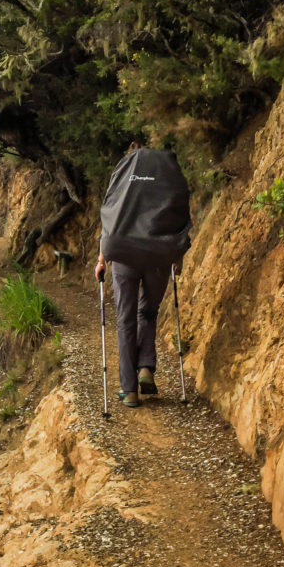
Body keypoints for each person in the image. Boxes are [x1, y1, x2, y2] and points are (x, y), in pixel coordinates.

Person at [94, 142, 191, 408]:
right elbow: (178, 214)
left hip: (124, 254)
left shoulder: (123, 180)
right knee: (147, 312)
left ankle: (130, 390)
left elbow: (110, 220)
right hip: (159, 255)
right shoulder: (165, 180)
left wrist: (102, 260)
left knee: (125, 320)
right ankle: (146, 367)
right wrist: (176, 254)